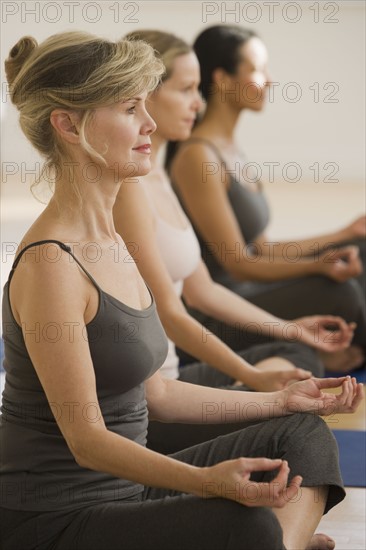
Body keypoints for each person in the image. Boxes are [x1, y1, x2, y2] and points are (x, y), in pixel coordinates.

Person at [0, 31, 363, 550]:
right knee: (248, 524)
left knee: (300, 431)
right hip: (58, 518)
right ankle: (284, 542)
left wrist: (278, 398)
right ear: (67, 125)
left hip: (130, 491)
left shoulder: (110, 239)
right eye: (129, 109)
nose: (149, 123)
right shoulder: (52, 265)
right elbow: (87, 442)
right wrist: (207, 483)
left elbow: (158, 393)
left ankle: (282, 545)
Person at [114, 30, 354, 454]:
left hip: (175, 380)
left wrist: (292, 329)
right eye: (187, 89)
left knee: (294, 359)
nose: (199, 102)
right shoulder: (134, 186)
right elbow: (173, 312)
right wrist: (257, 382)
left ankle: (255, 403)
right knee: (302, 430)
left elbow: (201, 288)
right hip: (155, 401)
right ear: (145, 95)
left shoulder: (159, 175)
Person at [168, 24, 366, 372]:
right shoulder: (198, 157)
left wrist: (345, 234)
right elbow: (239, 264)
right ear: (223, 79)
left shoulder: (231, 150)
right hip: (218, 313)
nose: (270, 80)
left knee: (361, 249)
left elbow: (262, 248)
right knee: (341, 292)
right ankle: (327, 350)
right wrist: (317, 265)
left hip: (249, 291)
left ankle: (334, 349)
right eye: (258, 69)